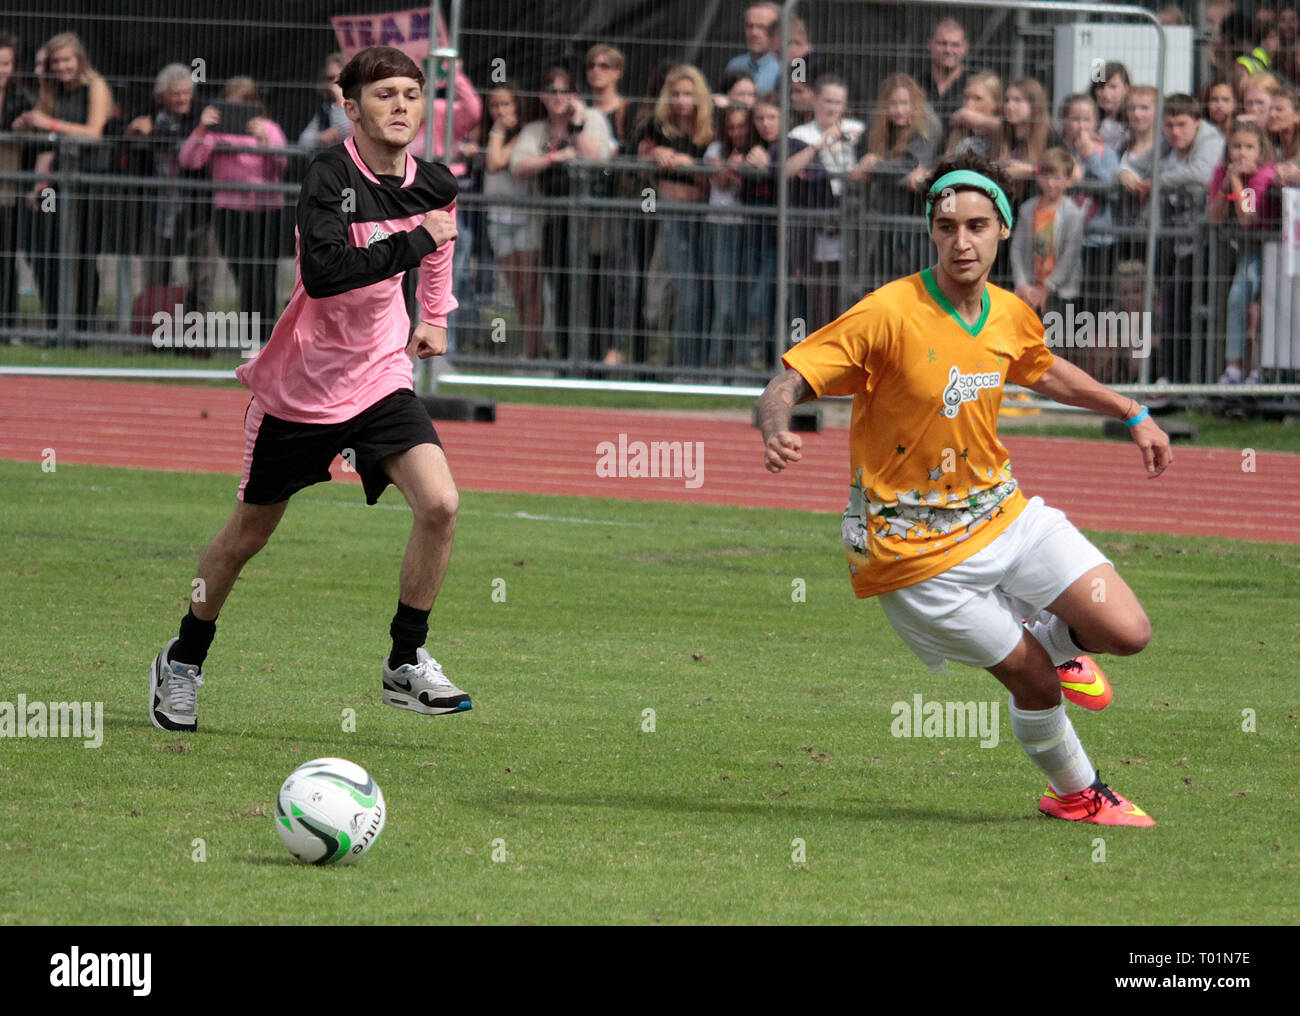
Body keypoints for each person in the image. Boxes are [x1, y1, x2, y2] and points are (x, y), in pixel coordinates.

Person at [756, 149, 1171, 827]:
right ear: (931, 230)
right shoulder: (887, 313)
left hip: (1002, 513)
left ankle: (1060, 645)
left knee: (1127, 630)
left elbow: (1043, 371)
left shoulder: (1008, 314)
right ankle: (1078, 792)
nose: (962, 240)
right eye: (947, 226)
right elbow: (788, 380)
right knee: (1031, 677)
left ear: (1003, 229)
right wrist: (774, 427)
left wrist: (1132, 410)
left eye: (977, 225)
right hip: (912, 553)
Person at [147, 45, 469, 732]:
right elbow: (326, 273)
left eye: (412, 94)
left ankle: (404, 662)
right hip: (304, 386)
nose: (401, 106)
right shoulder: (328, 174)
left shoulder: (434, 180)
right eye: (384, 94)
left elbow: (442, 239)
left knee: (440, 503)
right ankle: (184, 658)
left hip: (380, 376)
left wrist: (435, 316)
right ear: (349, 106)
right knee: (248, 534)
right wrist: (414, 245)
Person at [510, 66, 611, 362]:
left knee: (593, 289)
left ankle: (594, 360)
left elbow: (597, 158)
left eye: (564, 90)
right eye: (551, 91)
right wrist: (555, 157)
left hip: (590, 222)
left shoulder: (593, 119)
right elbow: (519, 166)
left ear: (575, 95)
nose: (558, 97)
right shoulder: (535, 130)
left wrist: (577, 125)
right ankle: (568, 359)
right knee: (562, 289)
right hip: (554, 221)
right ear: (542, 96)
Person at [14, 31, 113, 333]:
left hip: (89, 181)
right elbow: (47, 143)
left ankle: (80, 330)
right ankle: (56, 325)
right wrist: (26, 127)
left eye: (66, 59)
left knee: (83, 255)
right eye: (56, 61)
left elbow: (94, 132)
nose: (61, 66)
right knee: (47, 251)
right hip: (56, 183)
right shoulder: (52, 92)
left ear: (79, 59)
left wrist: (50, 124)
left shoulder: (95, 87)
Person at [179, 76, 288, 346]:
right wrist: (202, 129)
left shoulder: (269, 128)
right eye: (231, 103)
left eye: (244, 104)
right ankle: (254, 336)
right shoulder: (216, 132)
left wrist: (264, 140)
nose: (237, 109)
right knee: (242, 272)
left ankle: (265, 339)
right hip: (229, 210)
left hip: (266, 211)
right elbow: (189, 160)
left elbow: (283, 162)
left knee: (264, 274)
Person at [123, 63, 213, 330]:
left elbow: (184, 142)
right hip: (158, 208)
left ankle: (201, 336)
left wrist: (152, 135)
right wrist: (130, 132)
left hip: (197, 208)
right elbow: (114, 129)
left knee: (202, 275)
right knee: (155, 273)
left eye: (186, 92)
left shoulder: (200, 114)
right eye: (176, 93)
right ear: (160, 96)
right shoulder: (149, 113)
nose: (182, 98)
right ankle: (154, 330)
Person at [638, 63, 714, 369]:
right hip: (671, 215)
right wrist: (654, 155)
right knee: (685, 291)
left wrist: (691, 165)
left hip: (704, 215)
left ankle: (701, 362)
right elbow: (637, 160)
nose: (682, 100)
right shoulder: (656, 128)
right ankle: (683, 364)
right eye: (676, 94)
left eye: (688, 94)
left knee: (706, 290)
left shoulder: (710, 131)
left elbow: (716, 180)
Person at [1154, 94, 1224, 382]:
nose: (1175, 132)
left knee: (1183, 307)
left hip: (1209, 244)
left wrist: (1154, 182)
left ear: (1198, 122)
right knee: (1170, 307)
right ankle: (1171, 378)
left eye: (1182, 124)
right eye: (1169, 125)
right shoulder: (1167, 149)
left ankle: (1181, 380)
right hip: (1176, 243)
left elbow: (1203, 173)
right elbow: (1139, 165)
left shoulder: (1211, 141)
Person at [786, 74, 864, 331]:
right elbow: (787, 170)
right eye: (827, 101)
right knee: (820, 293)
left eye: (838, 102)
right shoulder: (800, 134)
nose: (832, 108)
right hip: (814, 228)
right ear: (815, 101)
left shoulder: (858, 130)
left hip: (853, 224)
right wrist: (819, 145)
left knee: (854, 294)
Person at [848, 72, 939, 287]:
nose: (899, 110)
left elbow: (911, 165)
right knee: (877, 285)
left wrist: (875, 167)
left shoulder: (926, 128)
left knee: (915, 287)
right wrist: (870, 165)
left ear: (915, 103)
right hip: (885, 221)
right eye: (893, 104)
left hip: (916, 225)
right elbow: (861, 163)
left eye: (905, 103)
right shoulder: (878, 129)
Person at [1209, 118, 1279, 385]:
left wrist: (1236, 184)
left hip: (1272, 247)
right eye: (1236, 146)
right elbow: (1215, 217)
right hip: (1249, 247)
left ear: (1261, 151)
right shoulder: (1222, 172)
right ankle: (1233, 367)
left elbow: (1247, 217)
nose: (1241, 153)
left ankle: (1259, 369)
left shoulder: (1265, 173)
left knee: (1263, 308)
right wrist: (1226, 185)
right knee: (1238, 298)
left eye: (1249, 147)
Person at [482, 83, 541, 358]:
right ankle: (528, 347)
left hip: (524, 215)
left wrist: (498, 132)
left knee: (530, 285)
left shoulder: (524, 134)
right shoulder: (487, 134)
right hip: (497, 217)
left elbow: (496, 161)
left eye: (506, 104)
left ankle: (533, 351)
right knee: (516, 286)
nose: (501, 110)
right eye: (495, 105)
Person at [1011, 146, 1082, 321]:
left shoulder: (1072, 213)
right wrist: (1022, 285)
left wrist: (1048, 287)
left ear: (1067, 181)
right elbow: (1017, 248)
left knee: (1056, 342)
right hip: (1029, 289)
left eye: (1057, 178)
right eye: (1046, 176)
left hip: (1061, 292)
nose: (1051, 183)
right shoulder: (1027, 209)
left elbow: (1070, 254)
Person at [0, 32, 36, 330]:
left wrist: (24, 126)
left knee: (7, 256)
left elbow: (38, 141)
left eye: (6, 63)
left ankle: (8, 325)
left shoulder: (23, 98)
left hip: (10, 189)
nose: (1, 69)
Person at [920, 18, 970, 150]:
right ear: (929, 44)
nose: (948, 50)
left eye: (955, 45)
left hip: (962, 160)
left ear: (964, 47)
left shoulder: (974, 86)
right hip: (919, 160)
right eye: (942, 43)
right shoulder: (917, 86)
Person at [725, 3, 782, 96]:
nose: (754, 32)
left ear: (777, 30)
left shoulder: (785, 67)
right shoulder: (735, 65)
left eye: (762, 27)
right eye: (749, 26)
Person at [298, 52, 351, 149]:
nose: (335, 82)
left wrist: (341, 102)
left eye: (340, 77)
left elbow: (347, 132)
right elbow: (303, 141)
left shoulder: (358, 104)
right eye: (330, 78)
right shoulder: (325, 109)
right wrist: (319, 137)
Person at [1090, 61, 1130, 153]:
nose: (1105, 93)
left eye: (1112, 87)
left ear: (1126, 89)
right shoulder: (1089, 122)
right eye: (1100, 87)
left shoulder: (1133, 122)